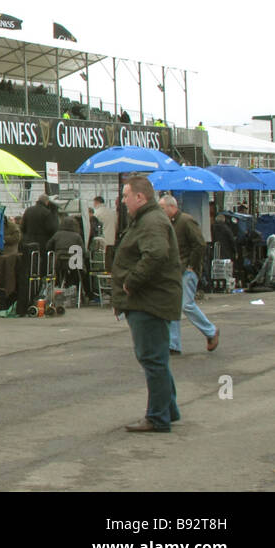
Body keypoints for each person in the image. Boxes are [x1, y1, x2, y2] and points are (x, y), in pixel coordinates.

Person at [112, 176, 182, 433]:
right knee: (157, 357)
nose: (123, 200)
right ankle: (168, 409)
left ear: (140, 197)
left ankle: (158, 417)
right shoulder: (147, 220)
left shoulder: (151, 221)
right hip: (151, 299)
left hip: (149, 301)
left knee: (152, 359)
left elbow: (155, 254)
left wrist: (131, 281)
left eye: (126, 195)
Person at [159, 195, 218, 355]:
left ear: (172, 207)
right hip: (175, 271)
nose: (161, 211)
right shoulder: (169, 224)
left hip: (187, 271)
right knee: (174, 306)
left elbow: (199, 244)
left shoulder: (185, 221)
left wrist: (192, 266)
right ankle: (173, 344)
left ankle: (211, 331)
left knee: (185, 304)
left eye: (162, 208)